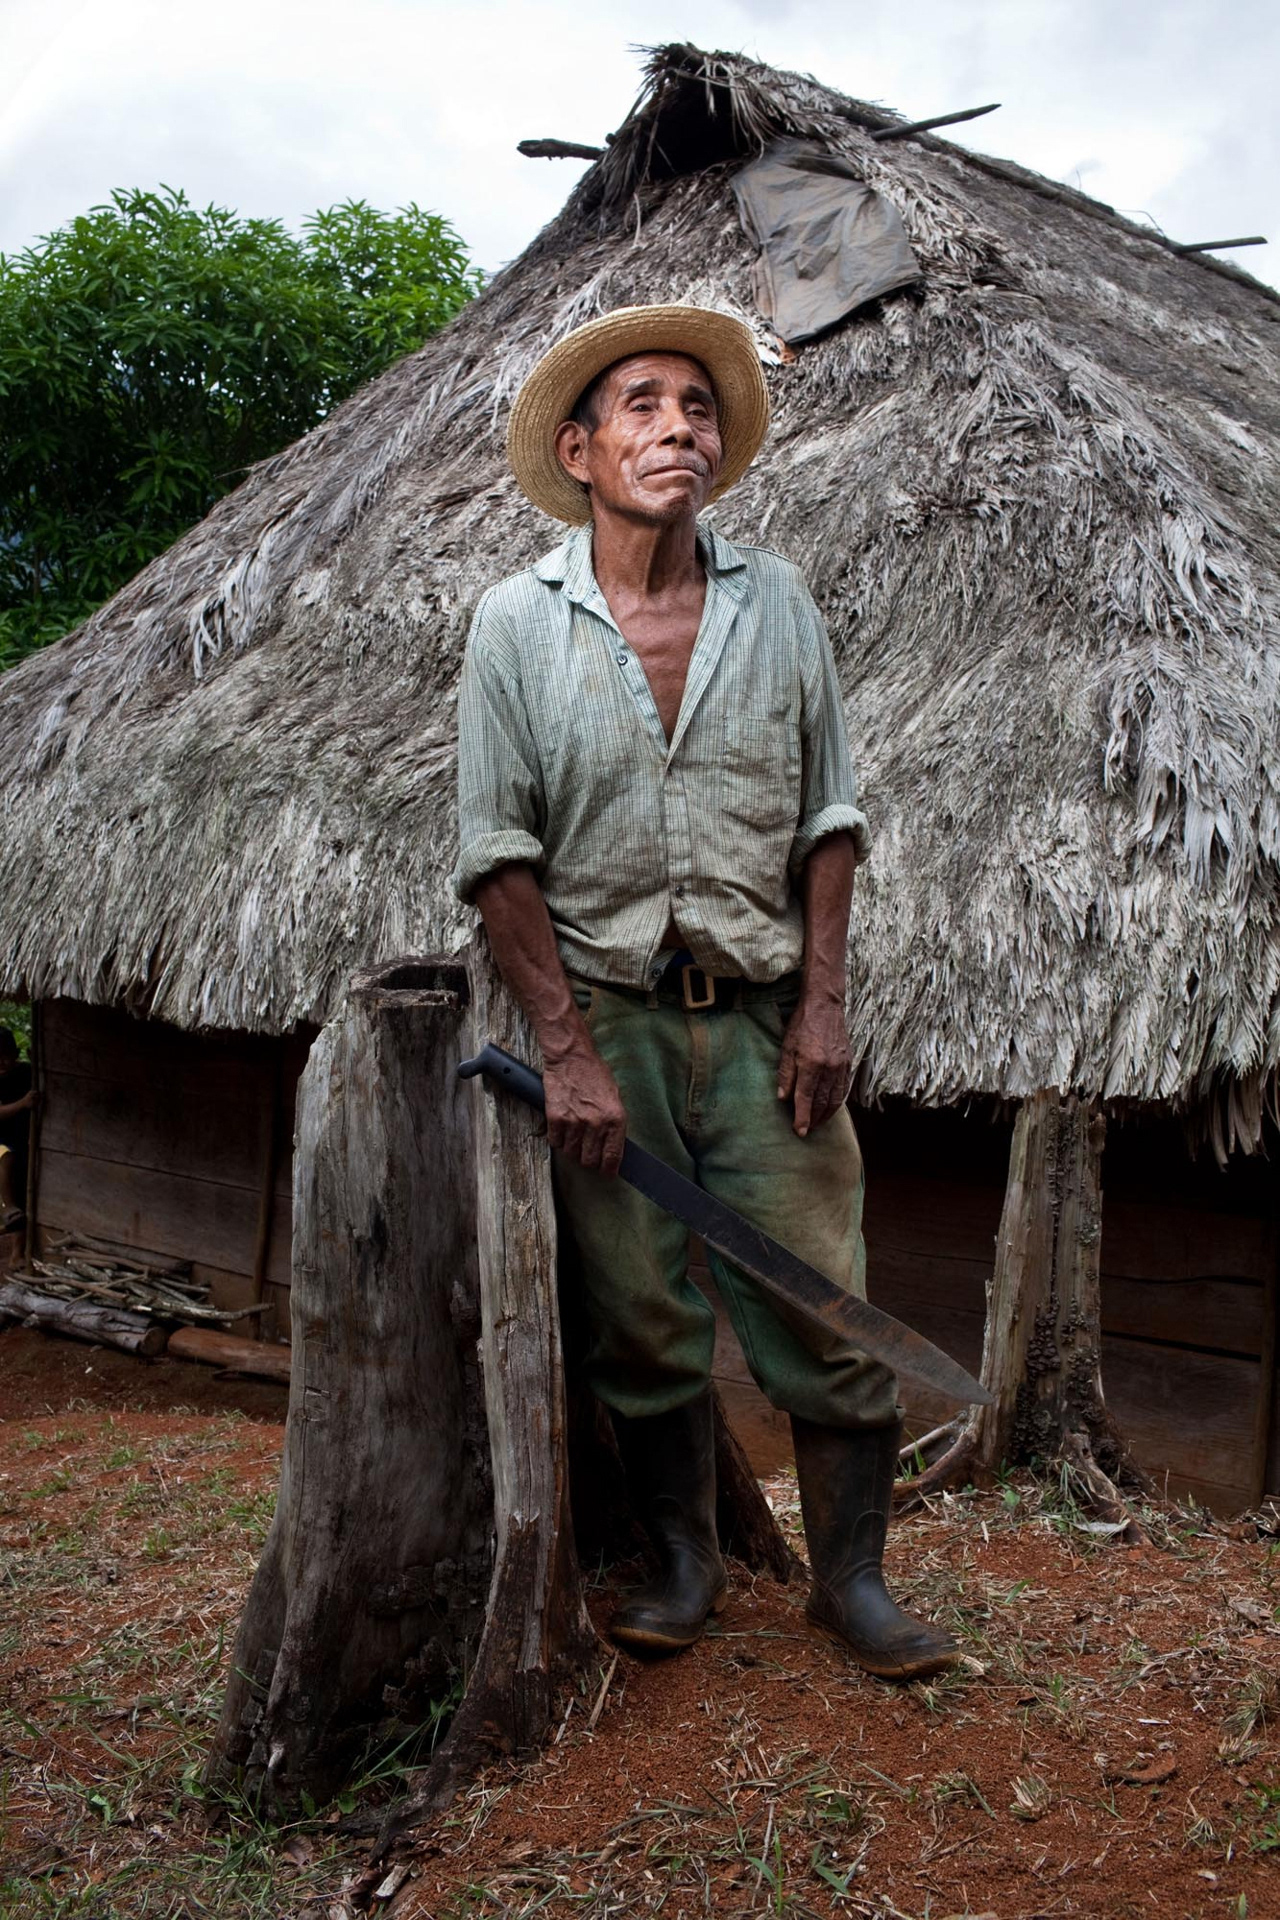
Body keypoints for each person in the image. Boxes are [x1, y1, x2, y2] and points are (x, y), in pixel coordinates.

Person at [453, 305, 956, 1680]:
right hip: (604, 1017)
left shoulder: (774, 601)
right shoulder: (516, 623)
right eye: (645, 406)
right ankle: (683, 1560)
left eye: (699, 407)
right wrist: (562, 1049)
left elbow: (829, 819)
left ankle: (849, 1580)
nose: (681, 426)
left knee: (820, 1299)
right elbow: (498, 856)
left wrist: (826, 1002)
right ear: (581, 448)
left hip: (761, 1019)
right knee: (641, 1313)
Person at [0, 1026, 34, 1232]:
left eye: (5, 1056)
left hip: (23, 1139)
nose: (1, 1063)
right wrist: (23, 1103)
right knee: (7, 1157)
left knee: (24, 1189)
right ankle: (8, 1206)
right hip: (3, 1143)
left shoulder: (25, 1072)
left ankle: (17, 1253)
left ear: (16, 1054)